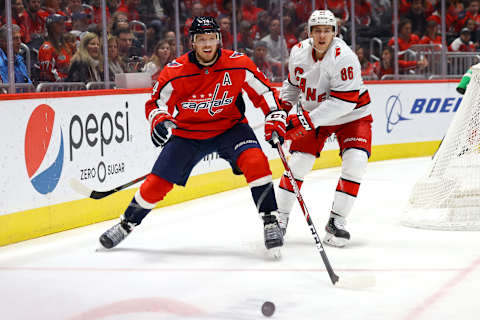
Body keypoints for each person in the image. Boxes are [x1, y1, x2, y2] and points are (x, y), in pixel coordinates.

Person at [99, 16, 287, 256]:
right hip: (189, 134)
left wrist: (275, 115)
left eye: (211, 38)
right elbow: (157, 102)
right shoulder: (176, 71)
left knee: (255, 161)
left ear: (218, 40)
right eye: (201, 39)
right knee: (158, 183)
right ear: (193, 43)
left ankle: (270, 220)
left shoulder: (238, 63)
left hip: (231, 128)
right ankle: (127, 222)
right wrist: (159, 119)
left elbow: (264, 92)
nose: (207, 44)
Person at [275, 10, 373, 248]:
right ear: (309, 32)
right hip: (314, 113)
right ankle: (279, 220)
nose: (322, 35)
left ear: (335, 32)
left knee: (356, 162)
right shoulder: (298, 52)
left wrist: (306, 120)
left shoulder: (345, 57)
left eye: (327, 30)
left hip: (352, 115)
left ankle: (336, 222)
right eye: (317, 30)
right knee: (298, 164)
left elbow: (344, 102)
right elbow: (292, 86)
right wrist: (280, 111)